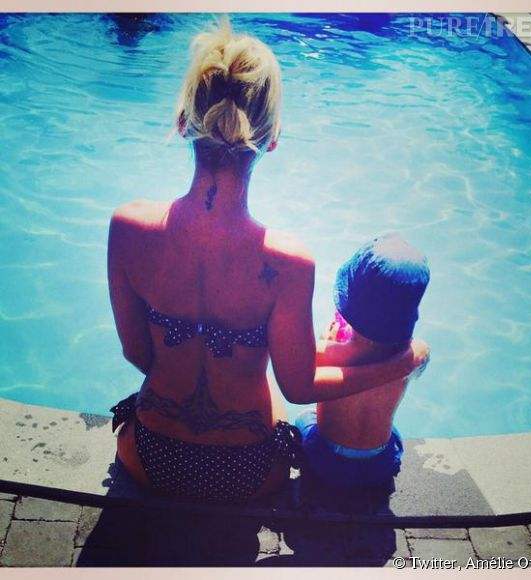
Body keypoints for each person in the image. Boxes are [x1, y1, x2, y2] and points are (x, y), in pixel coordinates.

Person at [107, 18, 429, 503]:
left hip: (152, 455)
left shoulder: (127, 228)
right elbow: (298, 386)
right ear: (272, 137)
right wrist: (402, 360)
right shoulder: (288, 262)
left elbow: (138, 354)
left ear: (182, 122)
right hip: (248, 469)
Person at [296, 234, 430, 490]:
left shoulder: (330, 353)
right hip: (380, 463)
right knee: (392, 433)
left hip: (328, 463)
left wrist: (330, 336)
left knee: (304, 418)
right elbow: (420, 358)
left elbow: (304, 360)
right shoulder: (413, 355)